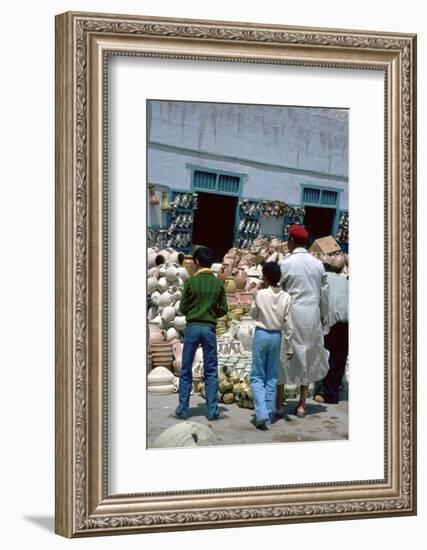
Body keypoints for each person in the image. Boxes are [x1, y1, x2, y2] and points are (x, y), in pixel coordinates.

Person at [276, 225, 329, 418]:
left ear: (291, 241)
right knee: (307, 356)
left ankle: (279, 403)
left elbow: (278, 292)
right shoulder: (317, 264)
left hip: (291, 315)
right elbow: (324, 294)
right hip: (312, 316)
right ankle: (301, 405)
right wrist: (324, 316)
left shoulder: (286, 263)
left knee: (284, 357)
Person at [175, 246, 228, 421]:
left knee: (186, 369)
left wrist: (194, 311)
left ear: (197, 262)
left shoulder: (191, 282)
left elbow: (182, 308)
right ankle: (212, 411)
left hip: (192, 328)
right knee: (211, 370)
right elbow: (224, 309)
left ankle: (183, 409)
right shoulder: (217, 283)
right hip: (209, 329)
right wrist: (211, 313)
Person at [250, 262, 293, 429]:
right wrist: (289, 347)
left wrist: (256, 295)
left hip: (261, 334)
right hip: (277, 337)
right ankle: (268, 414)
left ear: (266, 277)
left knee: (257, 375)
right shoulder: (286, 297)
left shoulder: (260, 294)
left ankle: (260, 412)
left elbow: (253, 314)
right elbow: (289, 324)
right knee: (271, 376)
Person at [314, 260, 349, 404]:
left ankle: (330, 394)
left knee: (328, 355)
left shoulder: (322, 280)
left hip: (333, 321)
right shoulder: (343, 280)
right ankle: (335, 387)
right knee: (341, 356)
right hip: (348, 320)